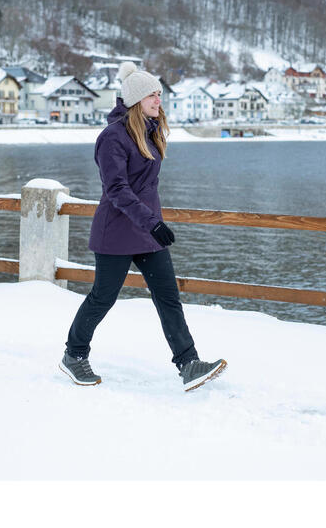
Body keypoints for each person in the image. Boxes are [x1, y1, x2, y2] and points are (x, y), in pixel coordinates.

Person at [59, 61, 227, 392]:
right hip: (116, 233)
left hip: (147, 232)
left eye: (160, 94)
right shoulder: (112, 138)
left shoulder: (149, 131)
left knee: (168, 297)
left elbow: (146, 188)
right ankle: (74, 355)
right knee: (102, 298)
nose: (158, 99)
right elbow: (117, 190)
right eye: (152, 94)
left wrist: (153, 224)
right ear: (136, 98)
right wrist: (153, 223)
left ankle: (189, 363)